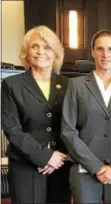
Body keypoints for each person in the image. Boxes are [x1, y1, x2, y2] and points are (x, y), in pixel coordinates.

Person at [61, 29, 111, 203]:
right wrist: (97, 167)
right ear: (93, 52)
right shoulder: (76, 85)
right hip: (84, 170)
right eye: (100, 49)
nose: (105, 54)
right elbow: (68, 131)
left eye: (110, 49)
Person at [1, 25, 71, 203]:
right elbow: (12, 129)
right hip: (26, 166)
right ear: (26, 51)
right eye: (35, 46)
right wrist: (45, 157)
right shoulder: (12, 85)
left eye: (47, 47)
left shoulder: (68, 84)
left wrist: (61, 156)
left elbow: (75, 124)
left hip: (61, 164)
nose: (41, 52)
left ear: (55, 53)